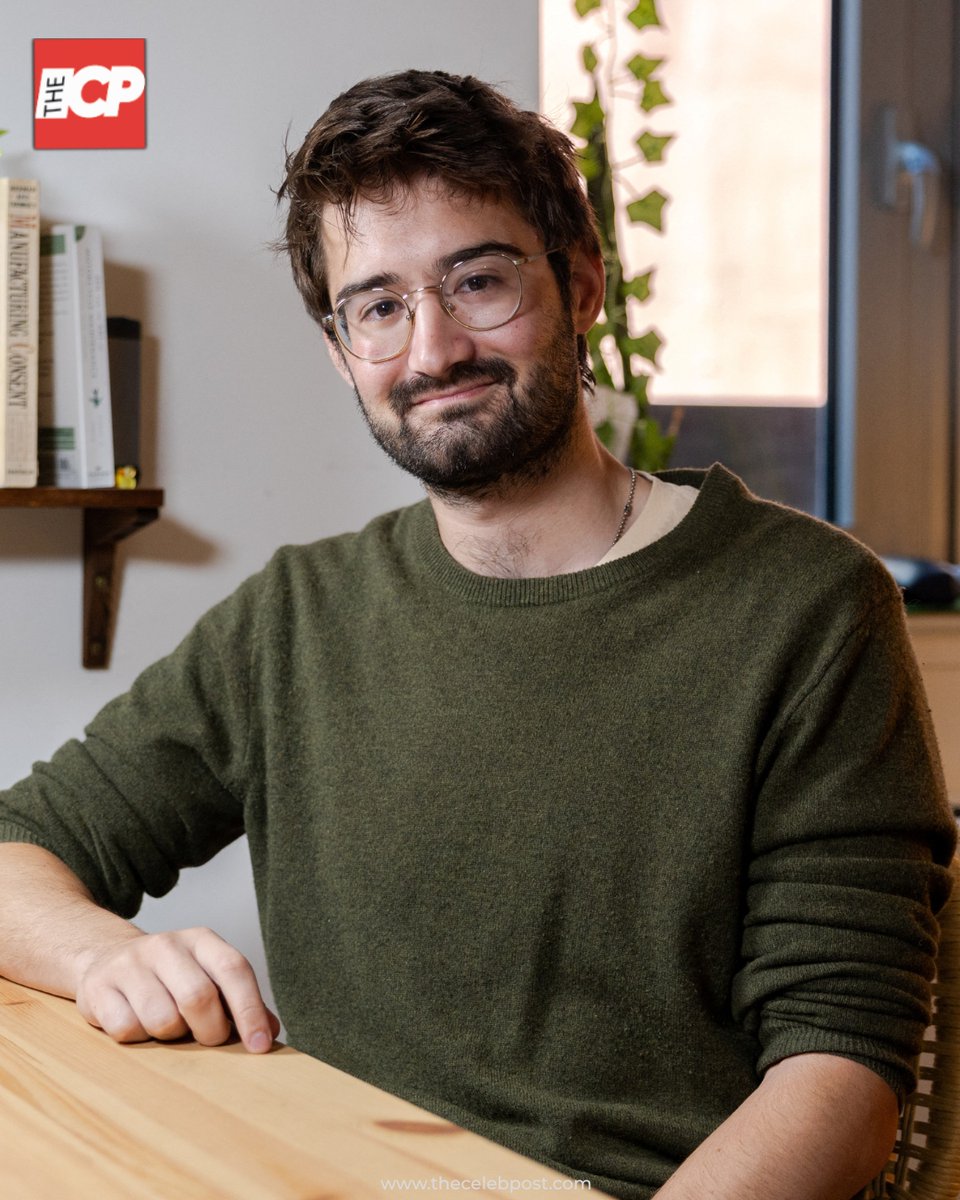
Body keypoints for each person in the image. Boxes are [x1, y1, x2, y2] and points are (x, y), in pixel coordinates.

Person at [0, 69, 955, 1200]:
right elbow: (23, 848)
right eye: (380, 307)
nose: (433, 349)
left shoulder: (807, 606)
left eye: (480, 282)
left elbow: (841, 1077)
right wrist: (108, 953)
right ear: (341, 347)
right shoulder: (295, 619)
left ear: (584, 283)